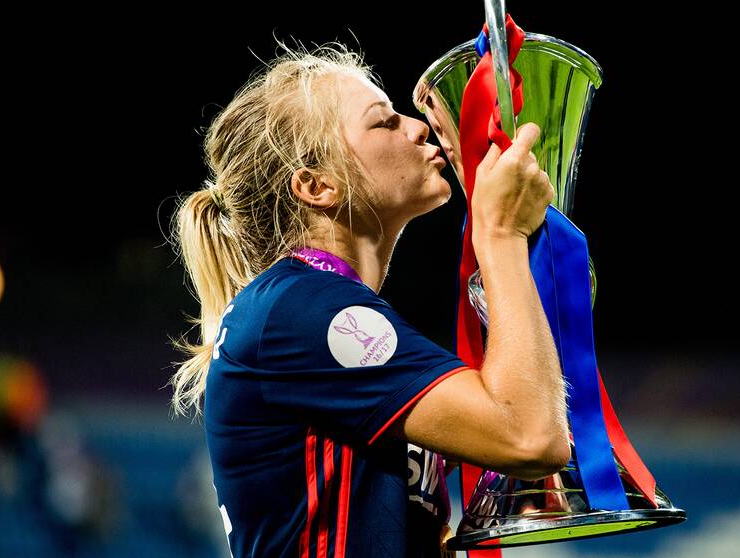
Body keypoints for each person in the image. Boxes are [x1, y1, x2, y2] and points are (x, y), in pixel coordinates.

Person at [167, 40, 569, 558]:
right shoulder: (301, 310)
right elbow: (531, 438)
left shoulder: (310, 309)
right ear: (318, 186)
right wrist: (500, 234)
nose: (418, 128)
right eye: (384, 122)